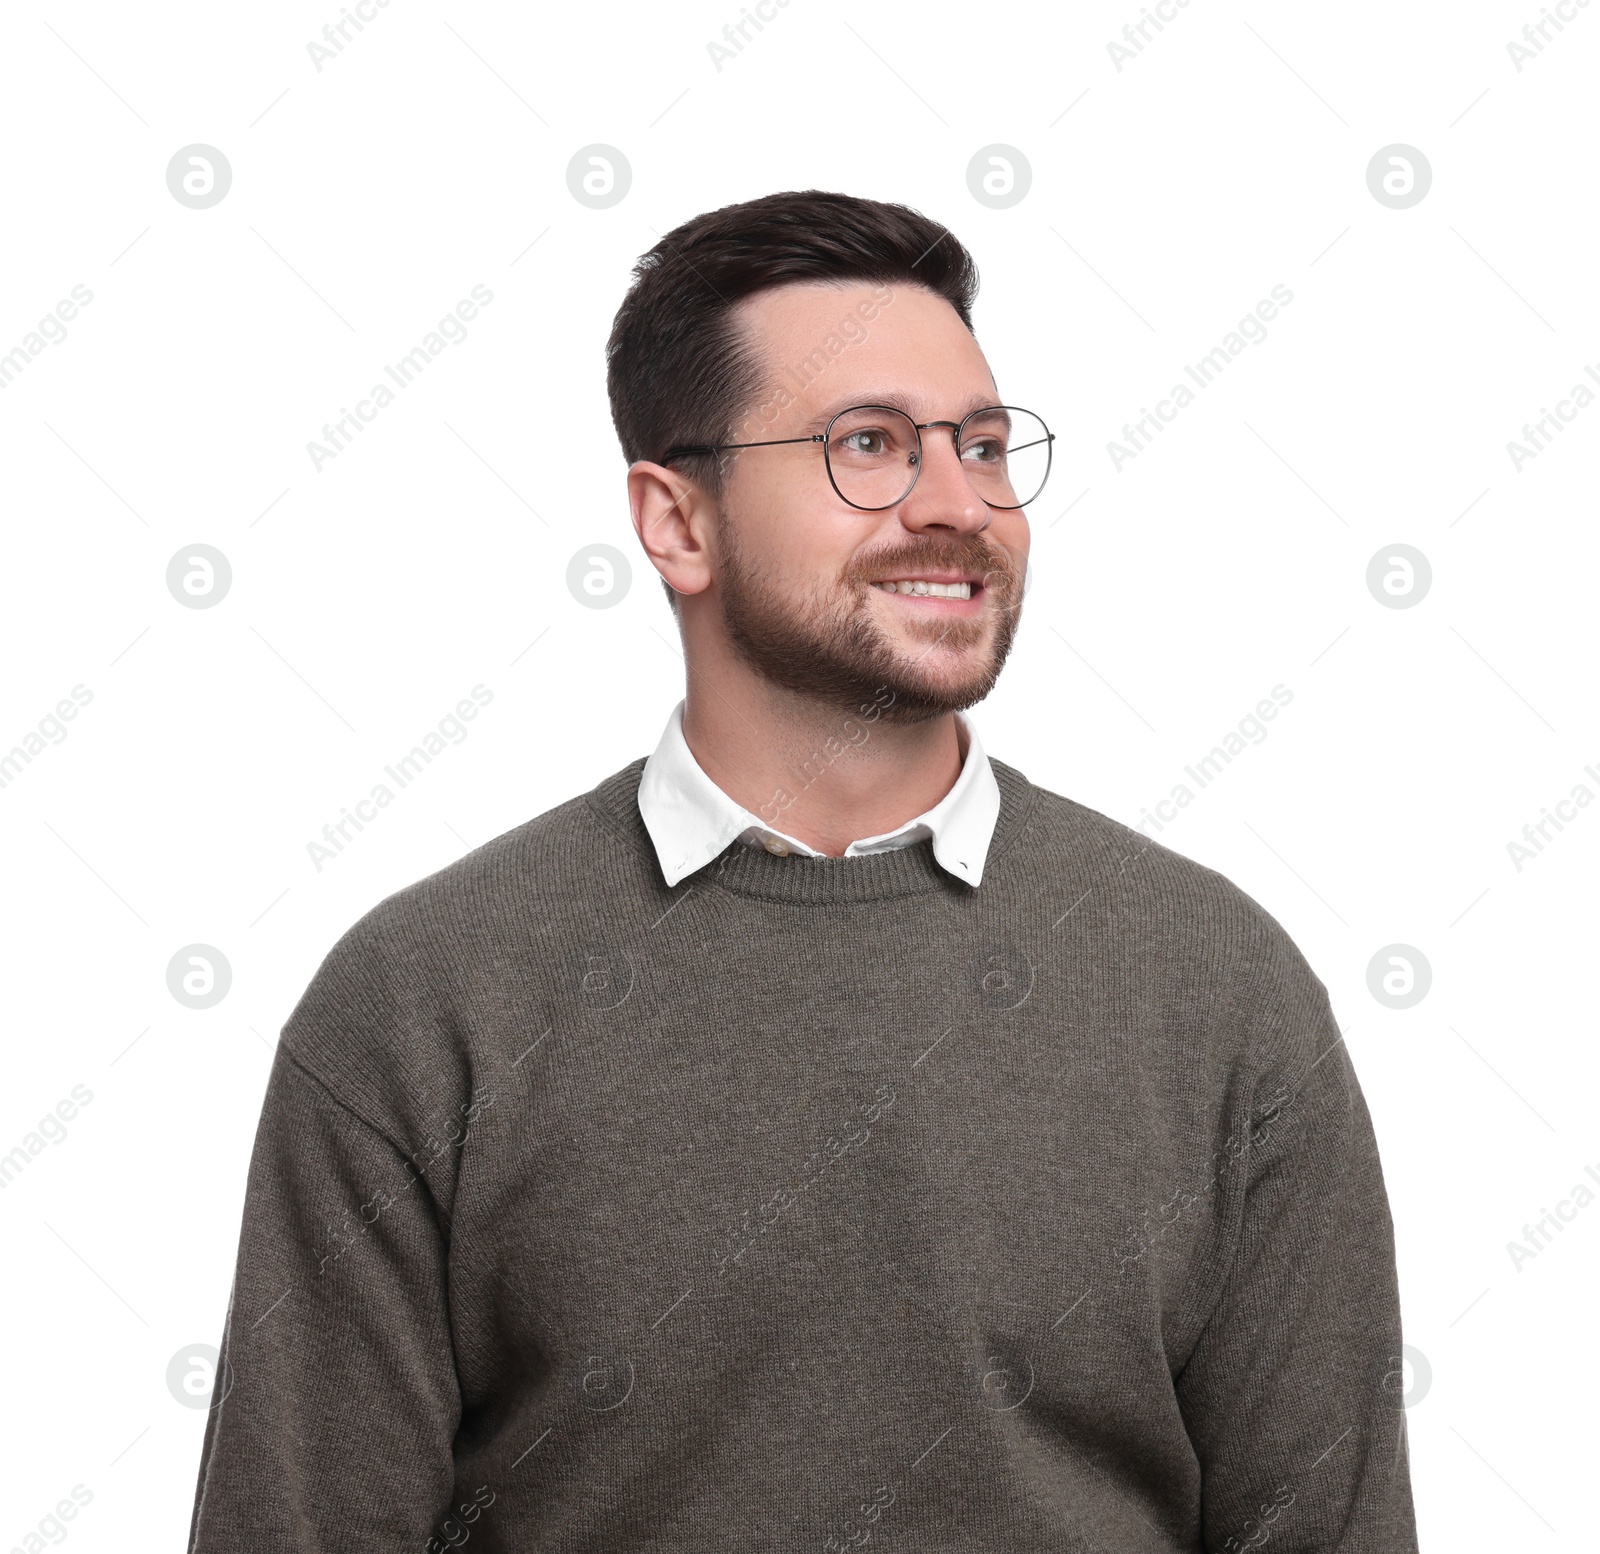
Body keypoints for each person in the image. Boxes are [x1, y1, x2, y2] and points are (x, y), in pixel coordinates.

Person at [188, 190, 1420, 1552]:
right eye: (871, 446)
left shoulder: (1217, 986)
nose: (961, 505)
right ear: (678, 523)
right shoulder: (424, 1002)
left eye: (984, 444)